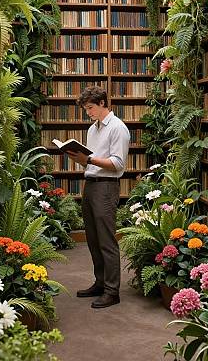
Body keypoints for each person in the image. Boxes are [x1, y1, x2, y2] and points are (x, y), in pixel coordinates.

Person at [66, 86, 130, 308]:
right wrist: (81, 158)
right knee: (92, 239)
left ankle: (113, 291)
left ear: (103, 103)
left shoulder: (118, 128)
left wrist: (90, 160)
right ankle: (100, 283)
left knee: (106, 240)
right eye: (86, 109)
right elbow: (91, 160)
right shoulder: (92, 130)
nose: (88, 113)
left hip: (106, 187)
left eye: (91, 108)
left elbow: (118, 164)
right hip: (90, 185)